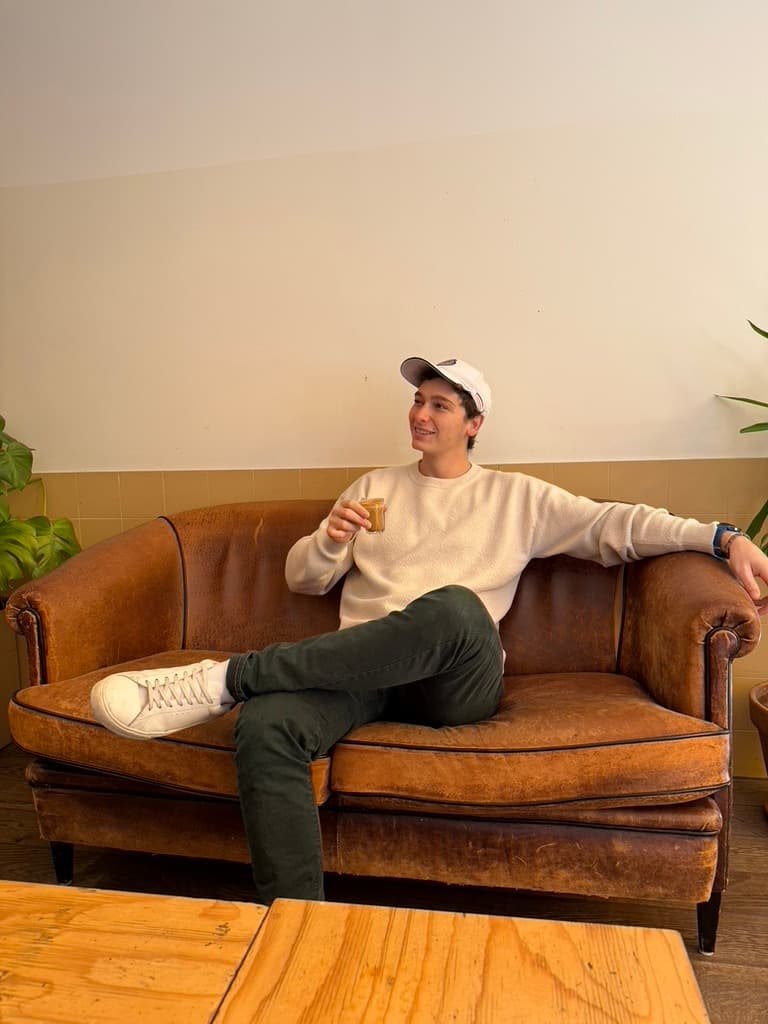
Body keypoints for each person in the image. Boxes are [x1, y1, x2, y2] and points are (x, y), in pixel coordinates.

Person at [90, 356, 768, 903]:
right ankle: (295, 922)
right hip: (362, 673)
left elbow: (617, 526)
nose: (420, 414)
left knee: (454, 607)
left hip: (455, 683)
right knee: (266, 726)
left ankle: (231, 678)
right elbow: (305, 579)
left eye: (439, 404)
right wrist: (328, 538)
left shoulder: (517, 497)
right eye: (417, 402)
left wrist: (720, 537)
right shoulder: (372, 487)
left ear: (474, 423)